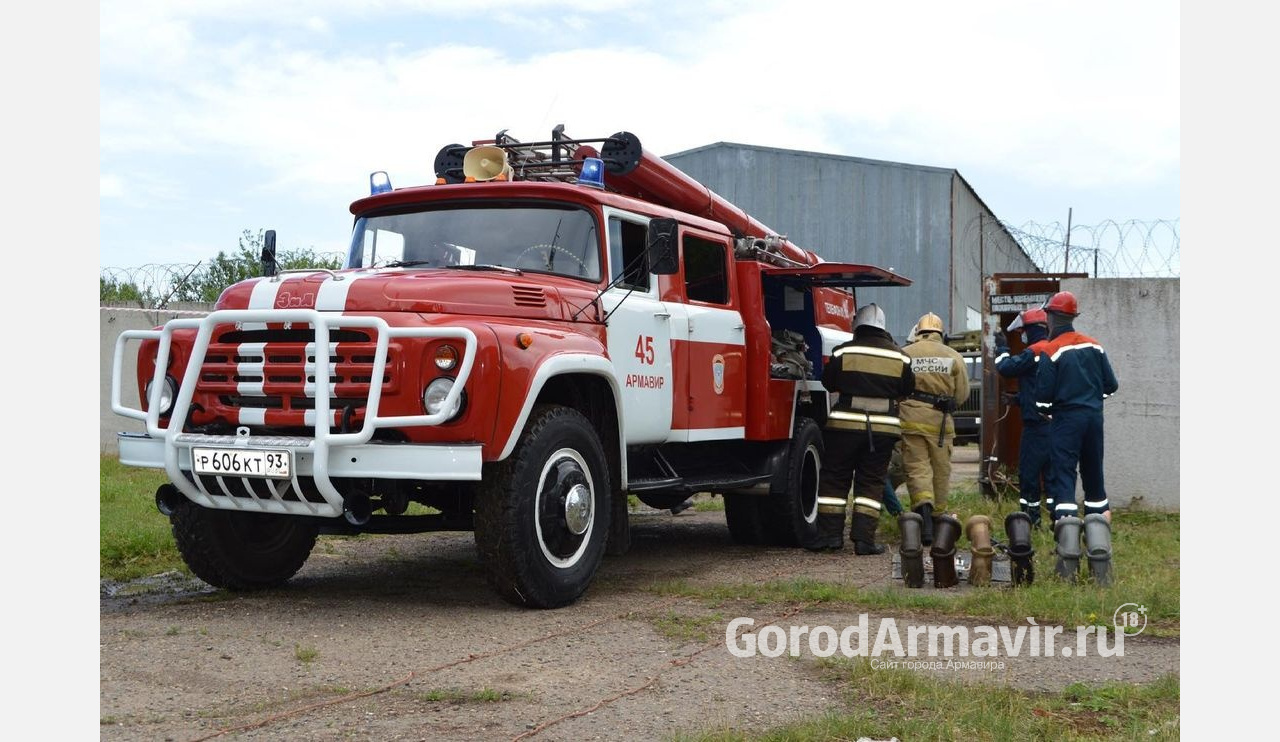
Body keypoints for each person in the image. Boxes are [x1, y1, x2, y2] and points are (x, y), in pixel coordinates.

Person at [808, 303, 914, 553]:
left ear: (857, 326)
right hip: (883, 432)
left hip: (843, 428)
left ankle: (830, 537)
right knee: (871, 483)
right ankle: (864, 541)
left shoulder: (843, 352)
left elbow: (827, 381)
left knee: (834, 479)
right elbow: (907, 389)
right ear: (883, 328)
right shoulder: (900, 356)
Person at [1034, 291, 1118, 523]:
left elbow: (1042, 400)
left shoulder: (1050, 351)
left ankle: (1068, 542)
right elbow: (1111, 386)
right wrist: (1089, 399)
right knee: (1093, 474)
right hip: (1093, 418)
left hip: (1066, 420)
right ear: (1072, 317)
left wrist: (1051, 410)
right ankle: (1098, 539)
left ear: (1050, 317)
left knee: (1064, 474)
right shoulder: (1095, 346)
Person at [899, 312, 969, 545]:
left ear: (918, 331)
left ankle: (923, 518)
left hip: (910, 419)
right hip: (940, 423)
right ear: (941, 333)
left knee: (917, 468)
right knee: (940, 470)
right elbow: (962, 394)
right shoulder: (953, 355)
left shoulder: (905, 353)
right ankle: (939, 520)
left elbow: (896, 387)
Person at [994, 307, 1054, 526]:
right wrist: (1018, 399)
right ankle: (1059, 523)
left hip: (1036, 428)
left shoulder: (1034, 352)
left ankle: (1029, 521)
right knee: (1052, 478)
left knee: (1029, 475)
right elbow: (1041, 388)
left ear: (1030, 329)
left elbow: (1005, 367)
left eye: (1022, 332)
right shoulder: (1054, 350)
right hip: (1055, 426)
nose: (1022, 336)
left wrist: (1002, 347)